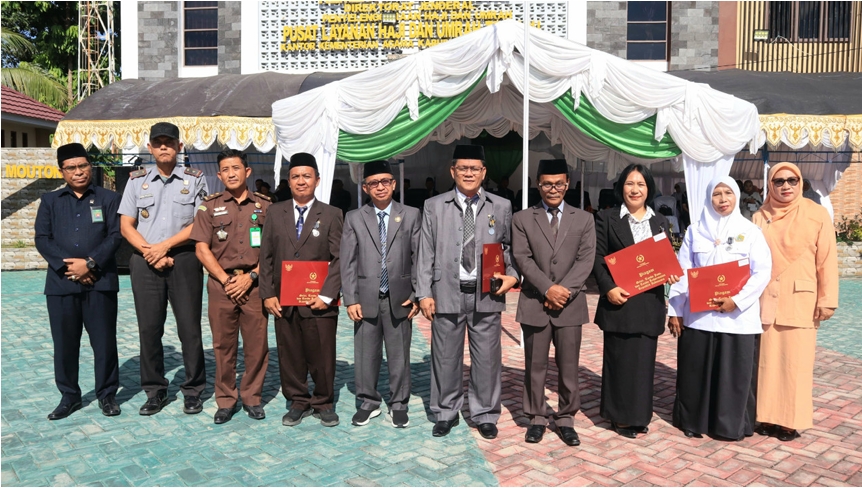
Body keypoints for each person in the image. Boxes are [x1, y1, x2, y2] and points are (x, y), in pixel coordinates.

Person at [416, 144, 519, 439]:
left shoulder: (501, 206)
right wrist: (424, 293)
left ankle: (484, 413)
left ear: (484, 172)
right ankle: (446, 411)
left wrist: (511, 275)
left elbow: (510, 249)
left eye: (475, 168)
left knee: (487, 359)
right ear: (453, 171)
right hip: (446, 290)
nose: (469, 173)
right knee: (445, 358)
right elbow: (425, 252)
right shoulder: (434, 206)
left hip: (487, 293)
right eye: (463, 168)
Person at [667, 176, 772, 440]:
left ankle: (729, 425)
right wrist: (676, 310)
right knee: (695, 372)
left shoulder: (750, 232)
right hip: (699, 317)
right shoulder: (695, 230)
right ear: (708, 198)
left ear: (736, 196)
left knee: (733, 376)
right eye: (716, 194)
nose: (722, 199)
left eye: (728, 193)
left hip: (737, 318)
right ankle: (692, 421)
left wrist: (736, 301)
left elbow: (762, 272)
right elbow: (682, 272)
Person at [119, 122, 208, 416]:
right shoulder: (136, 181)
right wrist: (151, 252)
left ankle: (193, 390)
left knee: (190, 329)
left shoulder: (195, 179)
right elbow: (126, 225)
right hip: (145, 261)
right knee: (149, 329)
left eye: (169, 142)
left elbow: (200, 224)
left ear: (179, 147)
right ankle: (155, 390)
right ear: (150, 147)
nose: (163, 147)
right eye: (158, 143)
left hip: (183, 259)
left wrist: (164, 247)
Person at [34, 143, 124, 420]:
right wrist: (66, 266)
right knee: (64, 344)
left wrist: (90, 263)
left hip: (100, 282)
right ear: (62, 171)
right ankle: (69, 396)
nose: (78, 172)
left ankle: (107, 394)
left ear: (90, 166)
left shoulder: (109, 198)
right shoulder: (50, 201)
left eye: (82, 166)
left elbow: (116, 235)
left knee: (104, 342)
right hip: (62, 285)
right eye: (71, 168)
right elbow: (42, 238)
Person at [512, 159, 596, 446]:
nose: (553, 189)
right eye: (547, 183)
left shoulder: (583, 218)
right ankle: (536, 418)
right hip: (535, 302)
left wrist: (565, 291)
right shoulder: (523, 218)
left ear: (567, 184)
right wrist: (548, 289)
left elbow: (586, 260)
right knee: (534, 366)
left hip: (570, 306)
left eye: (559, 183)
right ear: (538, 183)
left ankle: (565, 418)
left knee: (568, 366)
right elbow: (522, 258)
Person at [752, 162, 838, 441]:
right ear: (771, 184)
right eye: (778, 181)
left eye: (791, 180)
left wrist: (827, 299)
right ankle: (764, 417)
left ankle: (790, 421)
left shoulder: (817, 215)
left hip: (800, 301)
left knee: (795, 365)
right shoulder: (759, 217)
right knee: (765, 364)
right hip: (766, 300)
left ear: (800, 183)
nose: (785, 186)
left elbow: (827, 261)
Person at [592, 163, 678, 438]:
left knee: (643, 364)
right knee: (618, 361)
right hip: (620, 301)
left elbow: (663, 259)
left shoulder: (660, 221)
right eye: (630, 183)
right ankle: (618, 416)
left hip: (648, 303)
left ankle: (639, 416)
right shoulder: (606, 218)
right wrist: (608, 289)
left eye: (641, 184)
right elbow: (597, 258)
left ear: (649, 189)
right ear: (621, 187)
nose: (635, 189)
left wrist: (671, 273)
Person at [259, 152, 343, 428]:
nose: (301, 181)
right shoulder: (275, 211)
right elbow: (267, 256)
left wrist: (327, 294)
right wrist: (268, 293)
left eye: (307, 176)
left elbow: (339, 257)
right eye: (295, 176)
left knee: (322, 353)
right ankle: (298, 401)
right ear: (289, 180)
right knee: (290, 352)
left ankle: (323, 402)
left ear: (317, 180)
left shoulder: (331, 214)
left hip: (318, 299)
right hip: (284, 299)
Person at [190, 149, 271, 424]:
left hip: (255, 285)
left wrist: (251, 277)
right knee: (223, 346)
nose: (232, 173)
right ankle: (225, 400)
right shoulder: (208, 207)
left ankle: (252, 397)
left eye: (236, 168)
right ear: (219, 174)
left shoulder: (265, 206)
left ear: (247, 172)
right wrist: (226, 280)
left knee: (257, 345)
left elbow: (273, 250)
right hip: (221, 286)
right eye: (226, 169)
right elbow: (201, 249)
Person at [341, 160, 421, 428]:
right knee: (366, 354)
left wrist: (418, 293)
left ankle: (399, 404)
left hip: (400, 297)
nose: (380, 187)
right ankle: (368, 402)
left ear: (394, 184)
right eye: (374, 183)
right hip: (365, 298)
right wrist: (350, 298)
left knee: (399, 355)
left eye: (385, 181)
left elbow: (418, 257)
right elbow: (348, 262)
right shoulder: (354, 217)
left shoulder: (411, 215)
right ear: (365, 187)